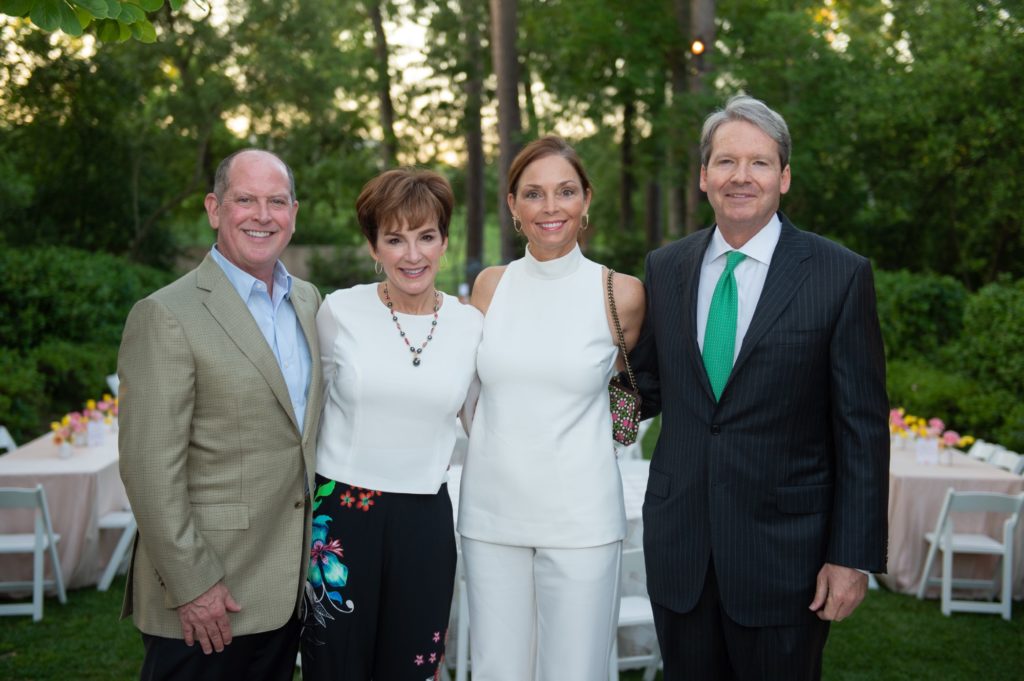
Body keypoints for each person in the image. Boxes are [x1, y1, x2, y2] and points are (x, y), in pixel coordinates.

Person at [631, 95, 889, 680]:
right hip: (682, 553)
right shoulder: (666, 268)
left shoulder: (839, 274)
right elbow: (642, 392)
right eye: (725, 162)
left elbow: (862, 428)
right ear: (703, 176)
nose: (740, 176)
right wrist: (568, 385)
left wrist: (851, 557)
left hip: (786, 560)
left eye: (760, 163)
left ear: (785, 177)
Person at [118, 148, 323, 680]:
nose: (262, 215)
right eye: (245, 200)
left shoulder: (309, 302)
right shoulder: (166, 314)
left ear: (294, 214)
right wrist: (193, 584)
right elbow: (148, 470)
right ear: (214, 208)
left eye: (276, 201)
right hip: (211, 597)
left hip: (287, 583)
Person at [457, 135, 646, 681]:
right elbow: (470, 392)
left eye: (565, 192)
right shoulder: (491, 286)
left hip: (582, 517)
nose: (550, 207)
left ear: (587, 200)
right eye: (533, 194)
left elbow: (631, 386)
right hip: (491, 513)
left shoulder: (620, 293)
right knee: (498, 670)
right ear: (513, 206)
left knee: (575, 672)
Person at [300, 168, 482, 680]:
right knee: (335, 664)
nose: (413, 254)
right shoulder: (338, 312)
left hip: (424, 520)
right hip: (341, 517)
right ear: (373, 247)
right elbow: (307, 410)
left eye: (426, 237)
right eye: (395, 239)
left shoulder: (470, 326)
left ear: (445, 241)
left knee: (411, 669)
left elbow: (484, 424)